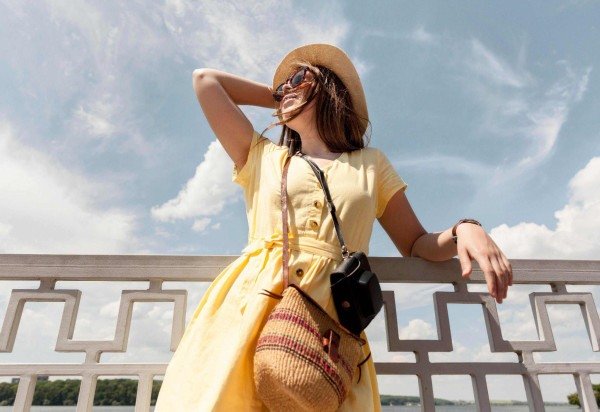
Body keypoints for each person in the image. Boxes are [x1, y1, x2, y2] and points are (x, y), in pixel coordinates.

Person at [154, 43, 513, 411]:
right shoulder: (262, 155)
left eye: (299, 78)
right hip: (248, 313)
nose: (287, 88)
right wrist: (283, 94)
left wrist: (465, 229)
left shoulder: (371, 165)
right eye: (283, 85)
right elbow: (206, 81)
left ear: (330, 89)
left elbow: (416, 242)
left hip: (330, 332)